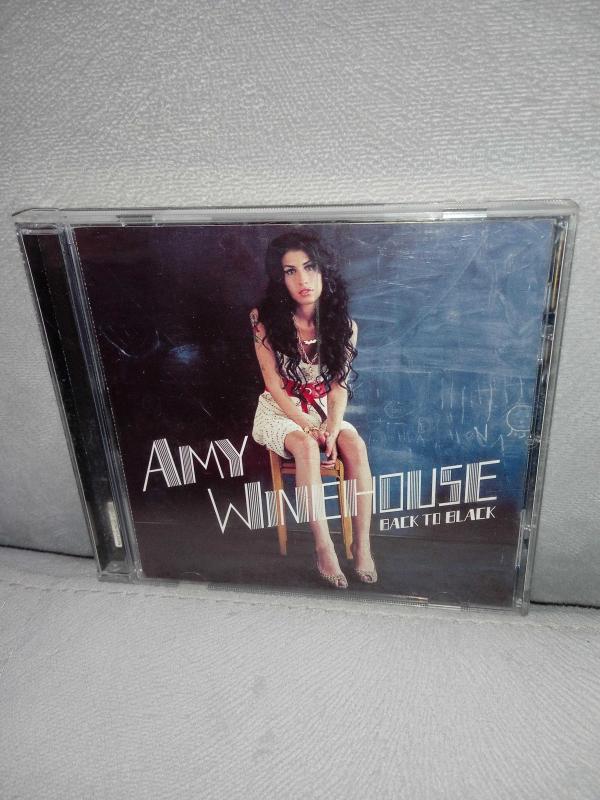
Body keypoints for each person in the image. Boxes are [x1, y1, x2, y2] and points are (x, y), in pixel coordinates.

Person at [250, 230, 377, 589]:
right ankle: (324, 549)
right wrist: (306, 424)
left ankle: (362, 545)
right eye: (290, 271)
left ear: (324, 270)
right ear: (281, 279)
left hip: (321, 408)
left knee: (354, 444)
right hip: (279, 410)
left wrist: (332, 427)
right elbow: (273, 384)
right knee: (306, 446)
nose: (303, 280)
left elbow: (338, 387)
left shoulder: (345, 326)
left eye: (310, 267)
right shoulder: (262, 319)